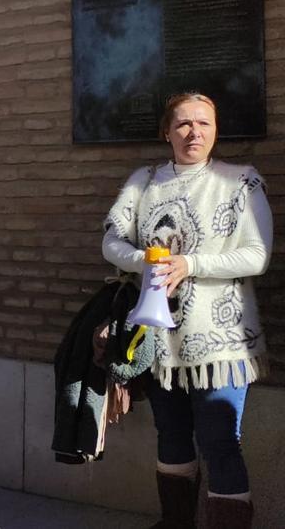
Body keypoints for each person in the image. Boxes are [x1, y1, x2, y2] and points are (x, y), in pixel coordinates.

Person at [102, 93, 271, 529]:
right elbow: (112, 240)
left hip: (220, 343)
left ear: (216, 130)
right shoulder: (144, 180)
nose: (193, 132)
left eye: (204, 123)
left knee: (220, 442)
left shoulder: (241, 182)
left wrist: (191, 264)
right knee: (171, 435)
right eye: (182, 124)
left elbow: (257, 255)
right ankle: (175, 522)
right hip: (159, 341)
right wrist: (146, 260)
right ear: (166, 131)